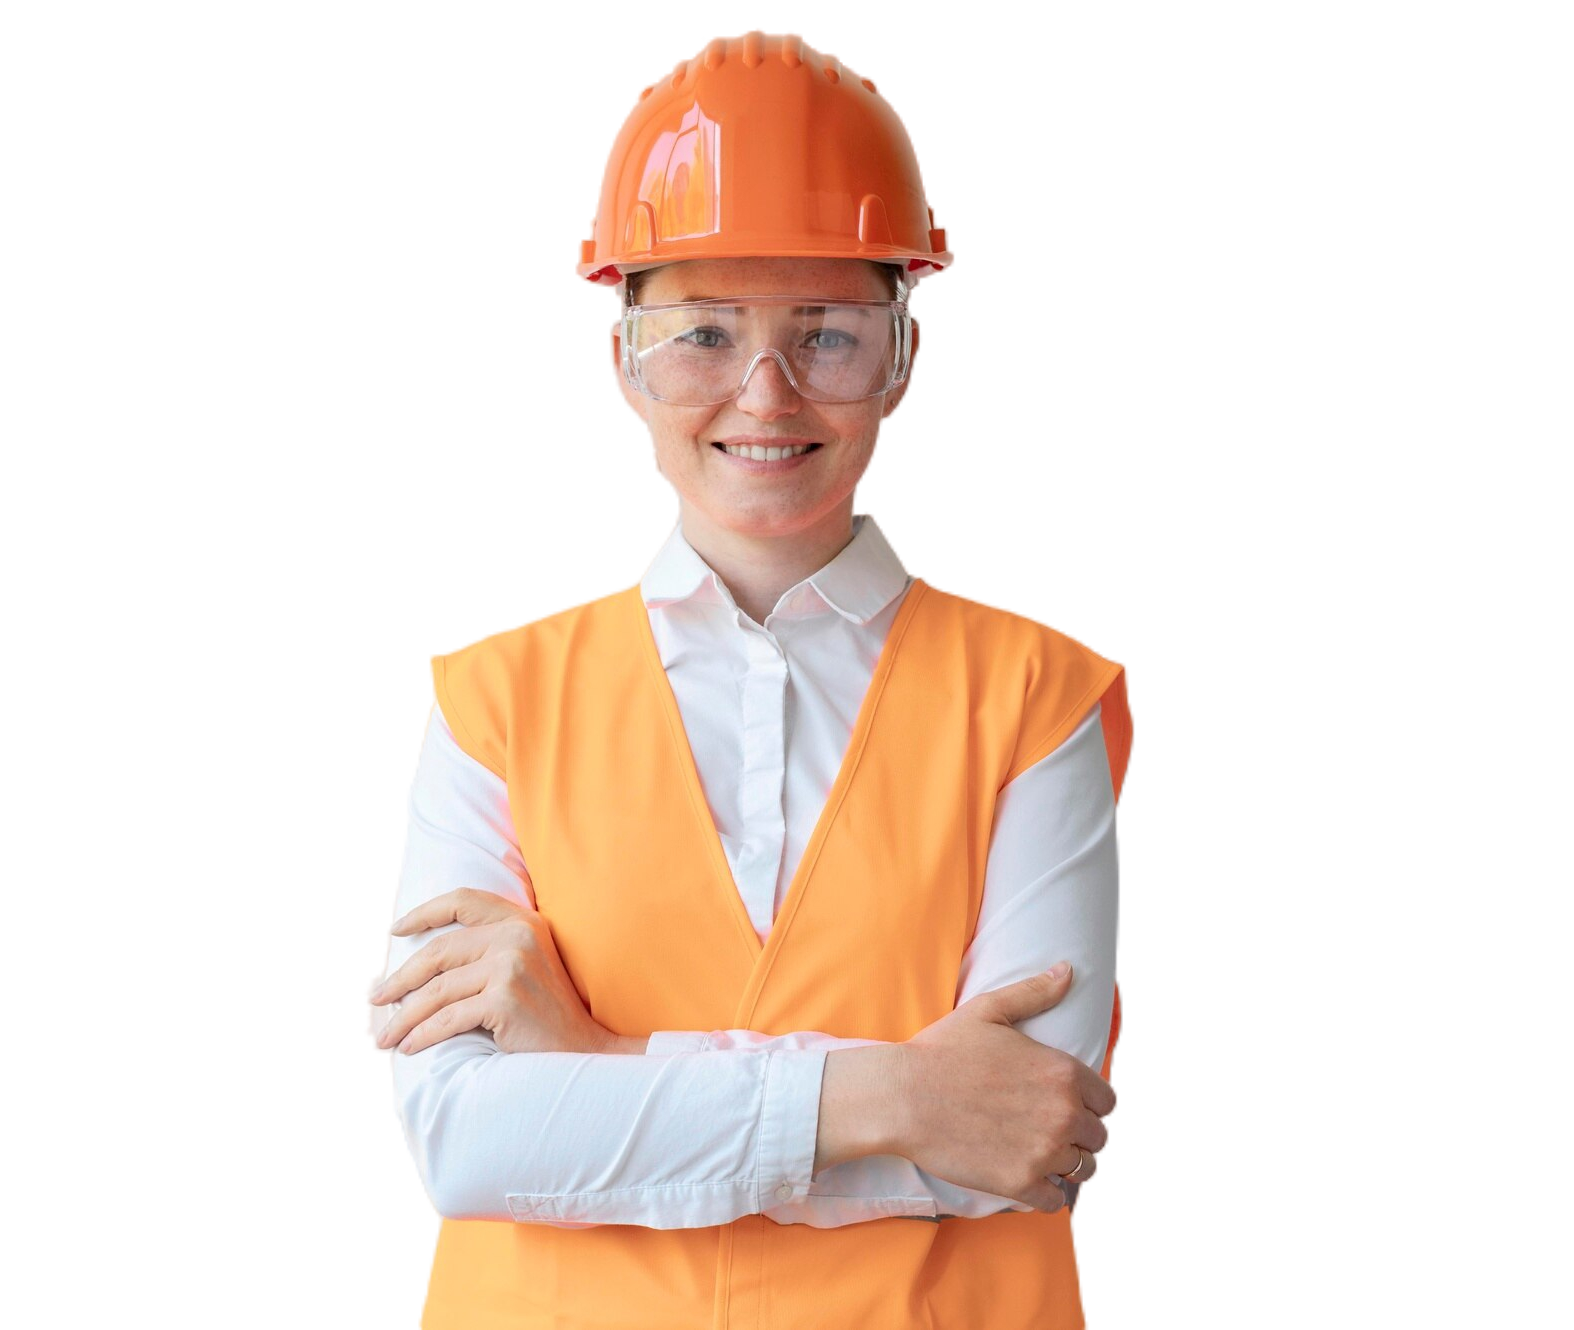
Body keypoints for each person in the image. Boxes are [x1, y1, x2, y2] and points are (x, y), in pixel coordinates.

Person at [320, 4, 1176, 1325]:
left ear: (900, 352)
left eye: (826, 330)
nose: (766, 395)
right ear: (628, 355)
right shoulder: (489, 696)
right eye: (705, 333)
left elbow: (1018, 1134)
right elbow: (470, 1143)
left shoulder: (1041, 695)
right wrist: (891, 1096)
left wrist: (595, 1068)